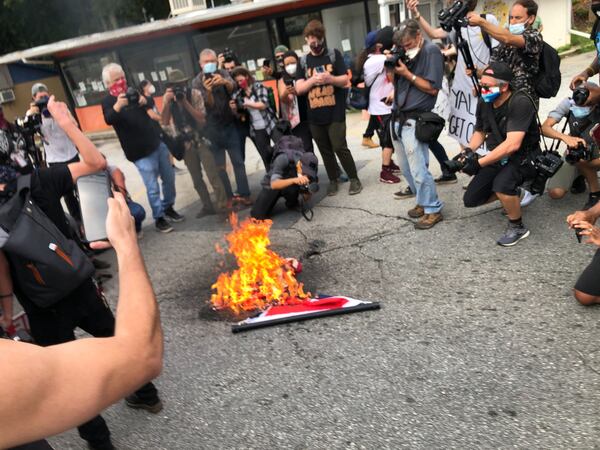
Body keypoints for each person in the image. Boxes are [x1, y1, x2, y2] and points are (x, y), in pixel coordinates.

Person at [1, 97, 163, 450]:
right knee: (110, 334)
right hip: (78, 281)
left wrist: (5, 310)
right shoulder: (38, 180)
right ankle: (145, 393)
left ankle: (100, 442)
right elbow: (95, 162)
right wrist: (66, 123)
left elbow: (2, 273)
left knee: (63, 377)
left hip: (42, 303)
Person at [460, 62, 539, 246]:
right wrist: (468, 152)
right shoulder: (485, 100)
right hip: (498, 154)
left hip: (524, 156)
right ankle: (515, 194)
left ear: (504, 86)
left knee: (501, 185)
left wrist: (479, 164)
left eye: (486, 86)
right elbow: (480, 131)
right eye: (481, 84)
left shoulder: (520, 102)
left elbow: (513, 144)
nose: (482, 89)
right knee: (471, 199)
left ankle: (517, 226)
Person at [408, 0, 499, 155]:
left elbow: (498, 51)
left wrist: (485, 76)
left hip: (485, 81)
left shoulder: (487, 20)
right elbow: (434, 34)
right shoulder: (455, 25)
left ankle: (490, 161)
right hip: (461, 85)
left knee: (489, 122)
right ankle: (468, 160)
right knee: (463, 128)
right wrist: (417, 15)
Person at [101, 63, 183, 234]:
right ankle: (159, 218)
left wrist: (145, 100)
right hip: (138, 152)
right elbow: (109, 119)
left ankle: (169, 207)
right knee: (152, 187)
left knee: (169, 178)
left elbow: (149, 104)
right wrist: (118, 105)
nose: (121, 81)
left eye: (122, 77)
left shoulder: (132, 91)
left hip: (156, 142)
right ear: (108, 84)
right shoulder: (108, 101)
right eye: (116, 80)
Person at [295, 19, 362, 196]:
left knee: (339, 146)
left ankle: (354, 179)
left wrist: (330, 79)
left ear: (322, 37)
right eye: (310, 38)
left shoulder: (333, 55)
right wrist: (312, 80)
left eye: (316, 38)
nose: (313, 42)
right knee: (324, 150)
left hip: (335, 112)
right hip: (314, 115)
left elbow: (345, 80)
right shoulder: (303, 61)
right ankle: (333, 180)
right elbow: (299, 89)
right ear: (306, 39)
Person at [388, 20, 444, 230]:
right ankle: (422, 201)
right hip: (397, 117)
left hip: (415, 118)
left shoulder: (431, 51)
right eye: (403, 45)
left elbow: (432, 88)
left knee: (419, 168)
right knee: (406, 168)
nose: (406, 48)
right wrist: (393, 65)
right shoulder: (404, 52)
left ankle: (432, 209)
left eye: (409, 43)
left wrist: (407, 74)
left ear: (419, 35)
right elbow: (392, 79)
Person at [161, 69, 225, 217]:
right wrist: (166, 103)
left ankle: (222, 206)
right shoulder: (169, 99)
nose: (179, 88)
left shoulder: (194, 94)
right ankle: (207, 206)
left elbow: (202, 119)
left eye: (180, 84)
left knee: (212, 175)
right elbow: (164, 121)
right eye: (175, 85)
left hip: (200, 139)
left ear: (185, 83)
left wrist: (184, 102)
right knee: (196, 179)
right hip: (185, 144)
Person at [192, 49, 251, 207]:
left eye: (212, 61)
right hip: (212, 131)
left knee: (238, 162)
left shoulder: (223, 73)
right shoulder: (197, 82)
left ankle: (245, 194)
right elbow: (205, 106)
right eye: (206, 62)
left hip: (229, 125)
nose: (210, 64)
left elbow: (232, 87)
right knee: (220, 167)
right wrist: (209, 91)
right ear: (200, 64)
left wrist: (224, 82)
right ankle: (229, 197)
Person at [467, 0, 542, 102]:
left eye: (518, 18)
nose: (513, 21)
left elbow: (508, 39)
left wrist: (481, 22)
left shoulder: (534, 37)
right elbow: (493, 72)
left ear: (531, 19)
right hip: (499, 101)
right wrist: (477, 72)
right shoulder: (502, 44)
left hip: (521, 101)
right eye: (511, 17)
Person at [27, 83, 82, 222]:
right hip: (55, 159)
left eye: (45, 96)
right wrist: (33, 114)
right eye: (40, 97)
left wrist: (62, 113)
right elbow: (29, 136)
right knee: (68, 193)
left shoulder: (58, 107)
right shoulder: (33, 114)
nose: (43, 99)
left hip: (71, 154)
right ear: (34, 98)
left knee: (81, 187)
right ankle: (78, 220)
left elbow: (75, 126)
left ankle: (88, 214)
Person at [541, 85, 600, 209]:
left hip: (597, 153)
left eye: (586, 105)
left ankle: (595, 194)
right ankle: (579, 174)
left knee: (585, 163)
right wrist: (565, 137)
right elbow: (544, 128)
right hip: (577, 152)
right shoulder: (569, 103)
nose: (580, 107)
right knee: (555, 192)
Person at [358, 28, 401, 184]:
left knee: (388, 138)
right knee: (388, 140)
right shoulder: (375, 60)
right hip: (380, 108)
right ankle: (384, 171)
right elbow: (395, 58)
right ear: (378, 45)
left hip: (382, 106)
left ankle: (389, 164)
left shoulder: (375, 58)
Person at [251, 136, 319, 220]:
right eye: (304, 172)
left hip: (289, 184)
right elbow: (274, 184)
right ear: (299, 164)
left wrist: (307, 189)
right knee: (257, 216)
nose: (306, 174)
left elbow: (306, 198)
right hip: (272, 184)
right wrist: (296, 180)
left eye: (308, 173)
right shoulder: (283, 158)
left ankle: (292, 203)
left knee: (293, 185)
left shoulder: (310, 166)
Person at [231, 67, 280, 172]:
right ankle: (273, 182)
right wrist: (234, 108)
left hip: (271, 123)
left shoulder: (258, 86)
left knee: (283, 149)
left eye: (241, 80)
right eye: (237, 82)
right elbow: (239, 114)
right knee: (266, 157)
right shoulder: (238, 94)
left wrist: (248, 103)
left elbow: (263, 105)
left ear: (247, 77)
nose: (240, 83)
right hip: (257, 129)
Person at [278, 51, 314, 153]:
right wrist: (287, 91)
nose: (290, 66)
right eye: (287, 64)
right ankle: (310, 168)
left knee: (324, 146)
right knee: (306, 149)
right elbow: (283, 98)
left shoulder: (305, 74)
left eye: (292, 63)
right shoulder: (283, 79)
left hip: (312, 115)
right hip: (298, 121)